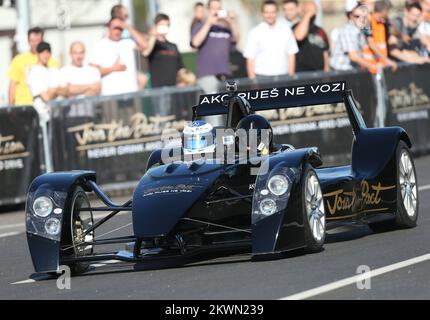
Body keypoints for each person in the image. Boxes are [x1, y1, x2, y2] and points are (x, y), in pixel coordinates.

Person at [191, 0, 240, 93]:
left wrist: (232, 22)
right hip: (207, 74)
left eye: (219, 8)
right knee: (213, 104)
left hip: (225, 74)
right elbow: (195, 43)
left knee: (229, 104)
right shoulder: (200, 25)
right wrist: (208, 23)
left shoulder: (226, 28)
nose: (216, 11)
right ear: (208, 10)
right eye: (214, 8)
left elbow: (236, 40)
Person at [244, 0, 298, 79]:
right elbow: (250, 59)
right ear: (262, 13)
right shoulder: (255, 33)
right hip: (262, 77)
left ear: (277, 13)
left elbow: (291, 55)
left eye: (272, 12)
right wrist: (253, 83)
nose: (270, 15)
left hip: (283, 76)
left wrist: (291, 78)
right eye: (267, 12)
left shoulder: (286, 30)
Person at [89, 18, 144, 96]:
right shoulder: (99, 46)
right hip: (110, 96)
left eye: (120, 28)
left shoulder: (128, 42)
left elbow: (145, 45)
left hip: (131, 93)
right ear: (109, 28)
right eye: (115, 28)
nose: (118, 31)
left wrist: (128, 27)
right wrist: (113, 68)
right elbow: (91, 73)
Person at [7, 27, 59, 106]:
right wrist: (11, 107)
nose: (35, 44)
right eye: (32, 41)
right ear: (28, 41)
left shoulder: (51, 61)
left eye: (37, 41)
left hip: (45, 106)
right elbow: (12, 84)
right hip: (23, 105)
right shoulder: (19, 59)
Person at [330, 3, 378, 71]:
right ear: (350, 16)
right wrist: (373, 66)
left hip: (352, 70)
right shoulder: (347, 30)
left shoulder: (361, 29)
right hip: (340, 71)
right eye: (357, 16)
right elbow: (353, 56)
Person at [26, 42, 65, 122]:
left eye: (47, 52)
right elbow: (46, 97)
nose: (45, 55)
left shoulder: (54, 70)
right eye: (42, 52)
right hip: (43, 117)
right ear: (37, 54)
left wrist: (53, 90)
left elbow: (66, 90)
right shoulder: (34, 72)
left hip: (58, 115)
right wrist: (57, 90)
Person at [143, 14, 185, 88]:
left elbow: (180, 67)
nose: (165, 27)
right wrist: (153, 36)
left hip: (174, 87)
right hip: (159, 88)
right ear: (156, 26)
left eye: (167, 25)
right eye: (162, 25)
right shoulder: (153, 44)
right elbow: (146, 52)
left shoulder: (173, 46)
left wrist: (183, 81)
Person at [292, 1, 330, 72]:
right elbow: (299, 36)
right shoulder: (295, 27)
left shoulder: (320, 31)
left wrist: (327, 73)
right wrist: (308, 14)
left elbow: (325, 53)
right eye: (310, 10)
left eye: (315, 10)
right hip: (302, 74)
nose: (314, 13)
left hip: (320, 73)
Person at [362, 0, 397, 74]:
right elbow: (371, 43)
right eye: (387, 12)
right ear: (383, 11)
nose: (387, 15)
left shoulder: (383, 23)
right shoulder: (366, 21)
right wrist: (387, 60)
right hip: (369, 67)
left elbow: (393, 35)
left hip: (381, 66)